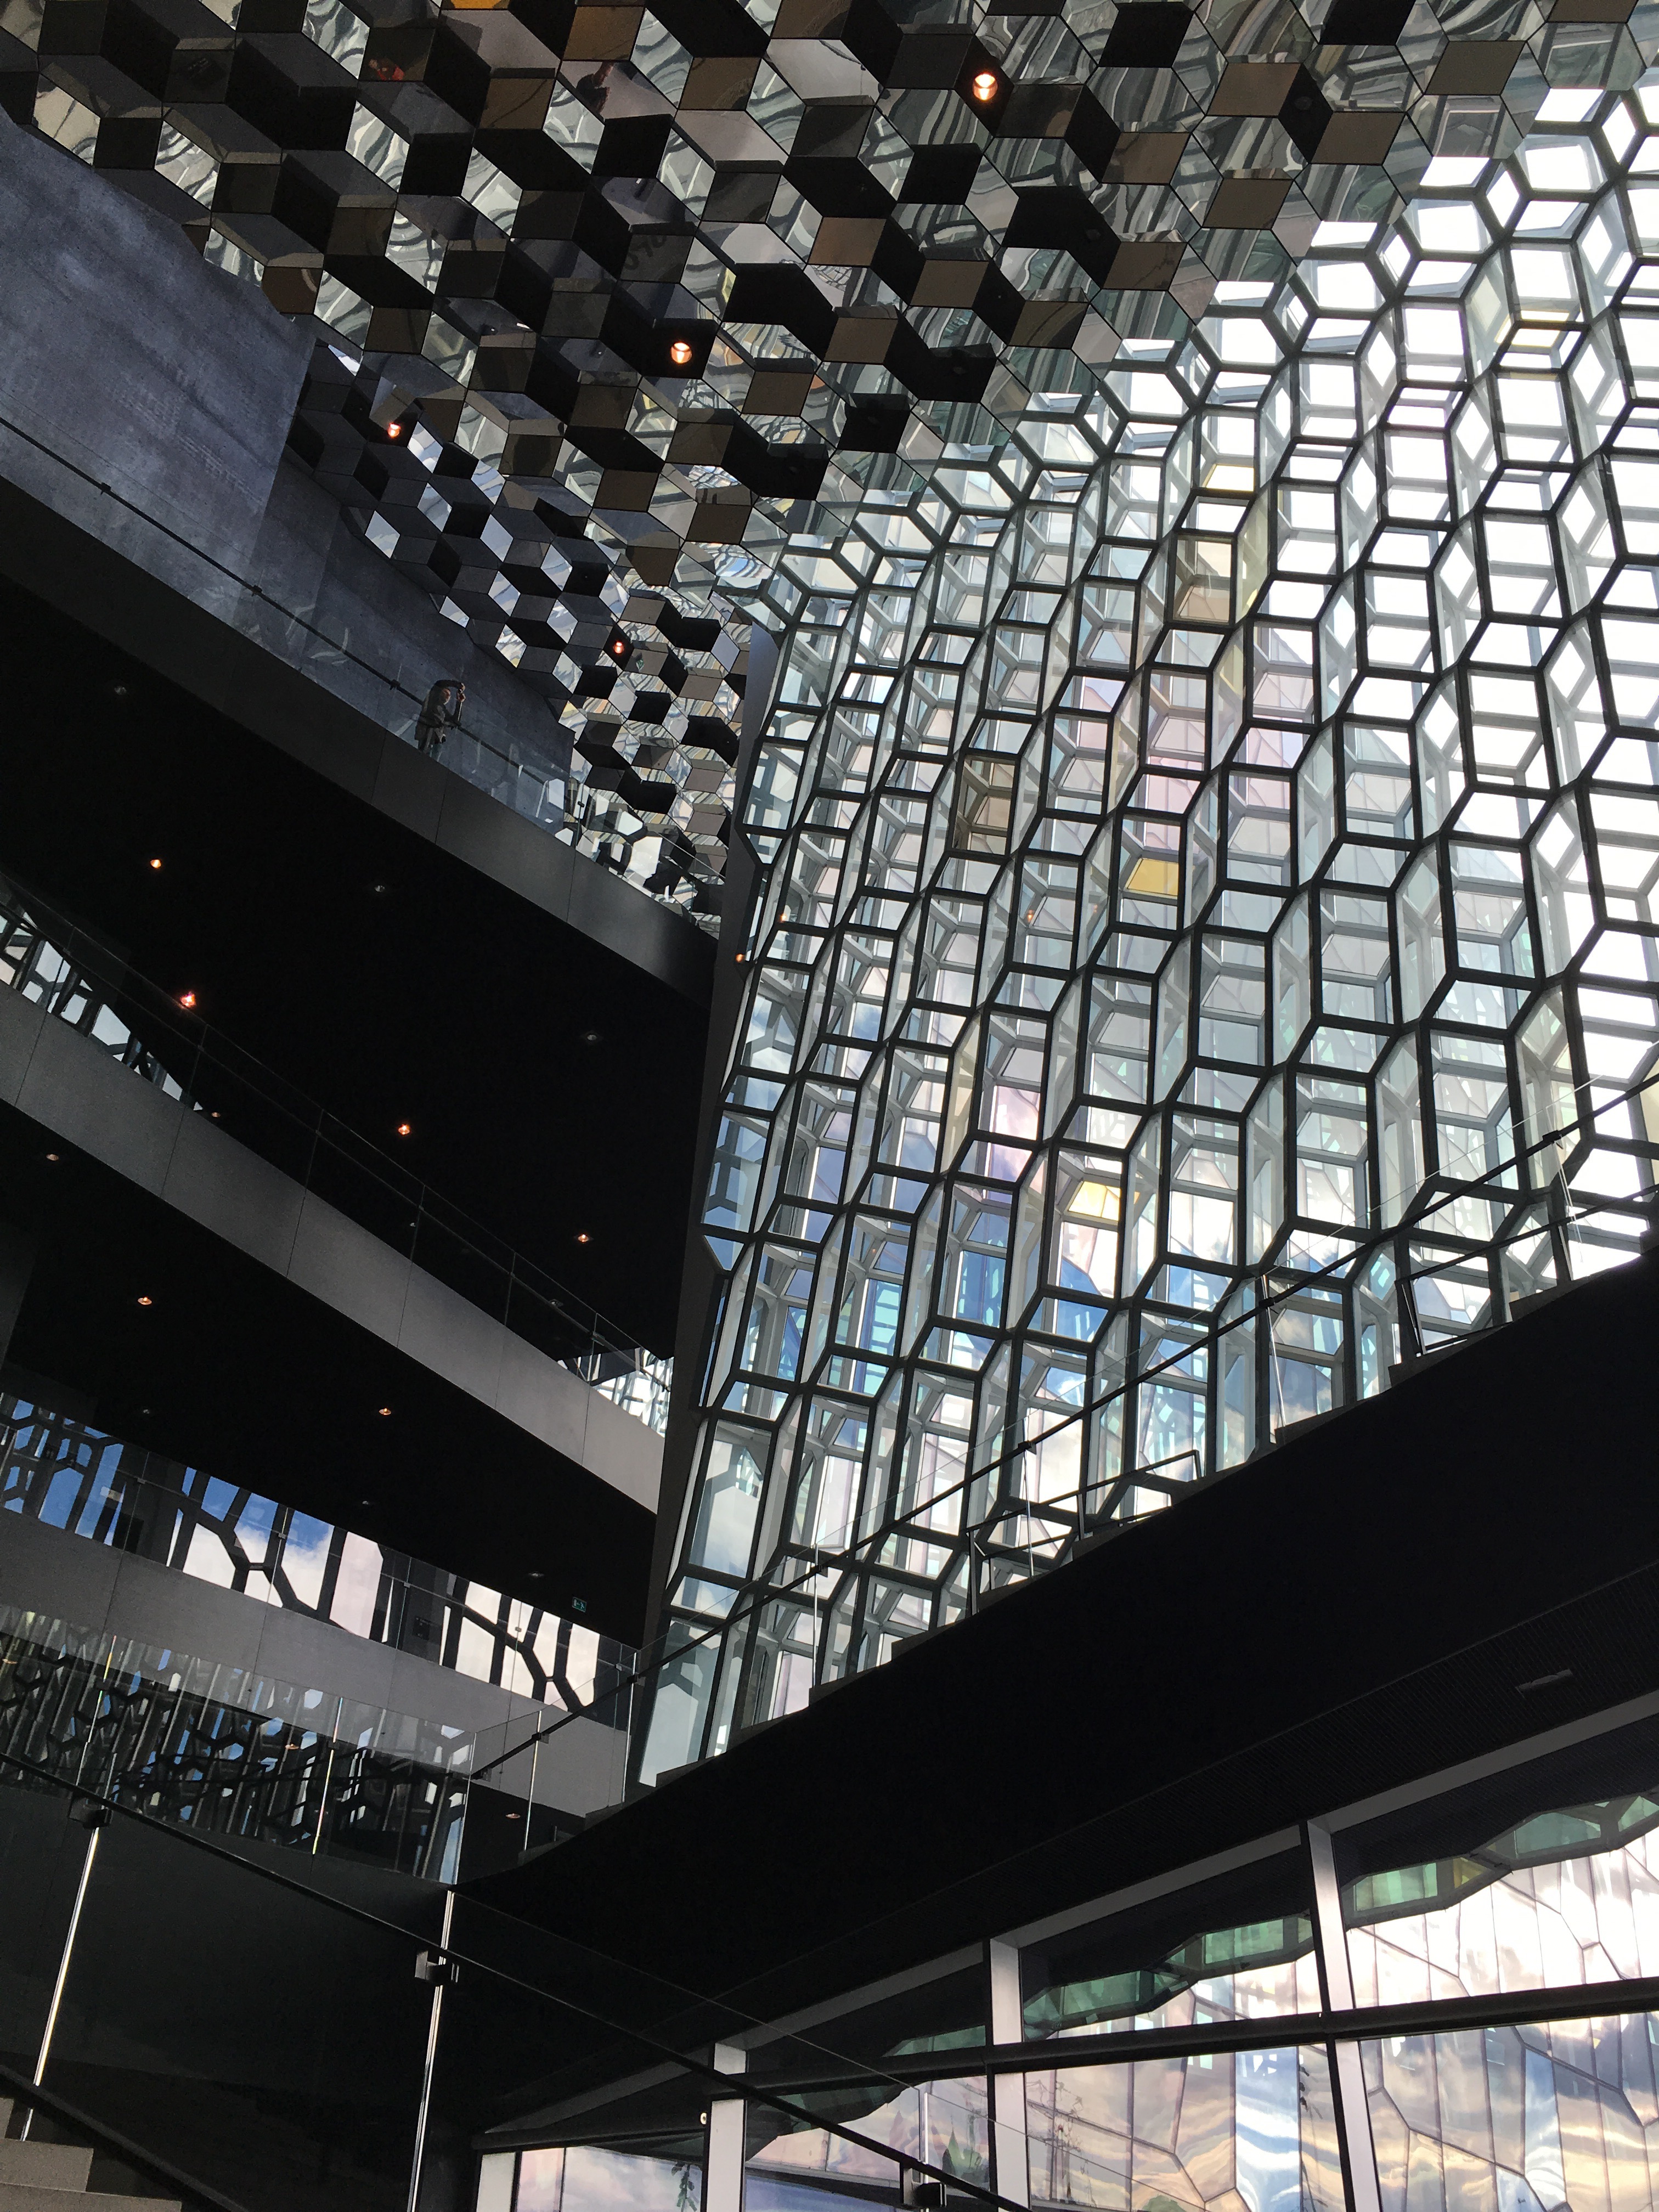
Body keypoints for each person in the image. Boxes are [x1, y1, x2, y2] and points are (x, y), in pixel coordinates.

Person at [415, 679, 465, 756]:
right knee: (423, 756)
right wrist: (457, 685)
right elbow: (439, 684)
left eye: (449, 695)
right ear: (439, 693)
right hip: (427, 734)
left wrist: (459, 702)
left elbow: (454, 722)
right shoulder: (432, 702)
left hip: (437, 741)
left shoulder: (443, 711)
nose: (448, 696)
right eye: (445, 693)